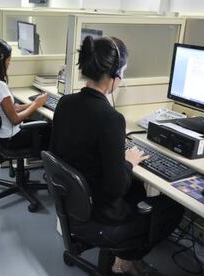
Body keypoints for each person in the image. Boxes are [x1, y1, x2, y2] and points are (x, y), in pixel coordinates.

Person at [50, 36, 184, 276]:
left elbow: (59, 154)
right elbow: (116, 187)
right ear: (115, 75)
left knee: (141, 190)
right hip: (102, 217)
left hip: (75, 206)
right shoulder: (110, 119)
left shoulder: (65, 103)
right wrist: (128, 161)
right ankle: (126, 257)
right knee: (172, 208)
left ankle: (127, 259)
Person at [0, 39, 50, 149]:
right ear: (1, 60)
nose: (9, 63)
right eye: (9, 60)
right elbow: (15, 120)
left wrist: (35, 102)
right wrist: (36, 105)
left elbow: (10, 108)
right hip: (12, 139)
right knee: (50, 128)